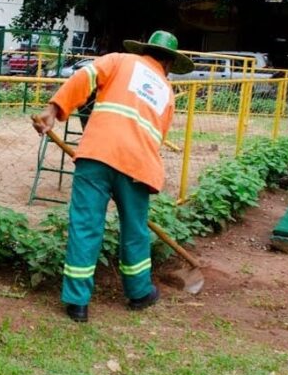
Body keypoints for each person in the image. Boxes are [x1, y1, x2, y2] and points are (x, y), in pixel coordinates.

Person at [32, 31, 194, 323]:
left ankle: (77, 304)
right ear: (169, 64)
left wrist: (53, 110)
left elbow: (85, 77)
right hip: (137, 165)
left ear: (145, 49)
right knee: (135, 230)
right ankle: (140, 293)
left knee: (85, 226)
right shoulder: (167, 93)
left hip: (97, 155)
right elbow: (158, 135)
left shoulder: (120, 61)